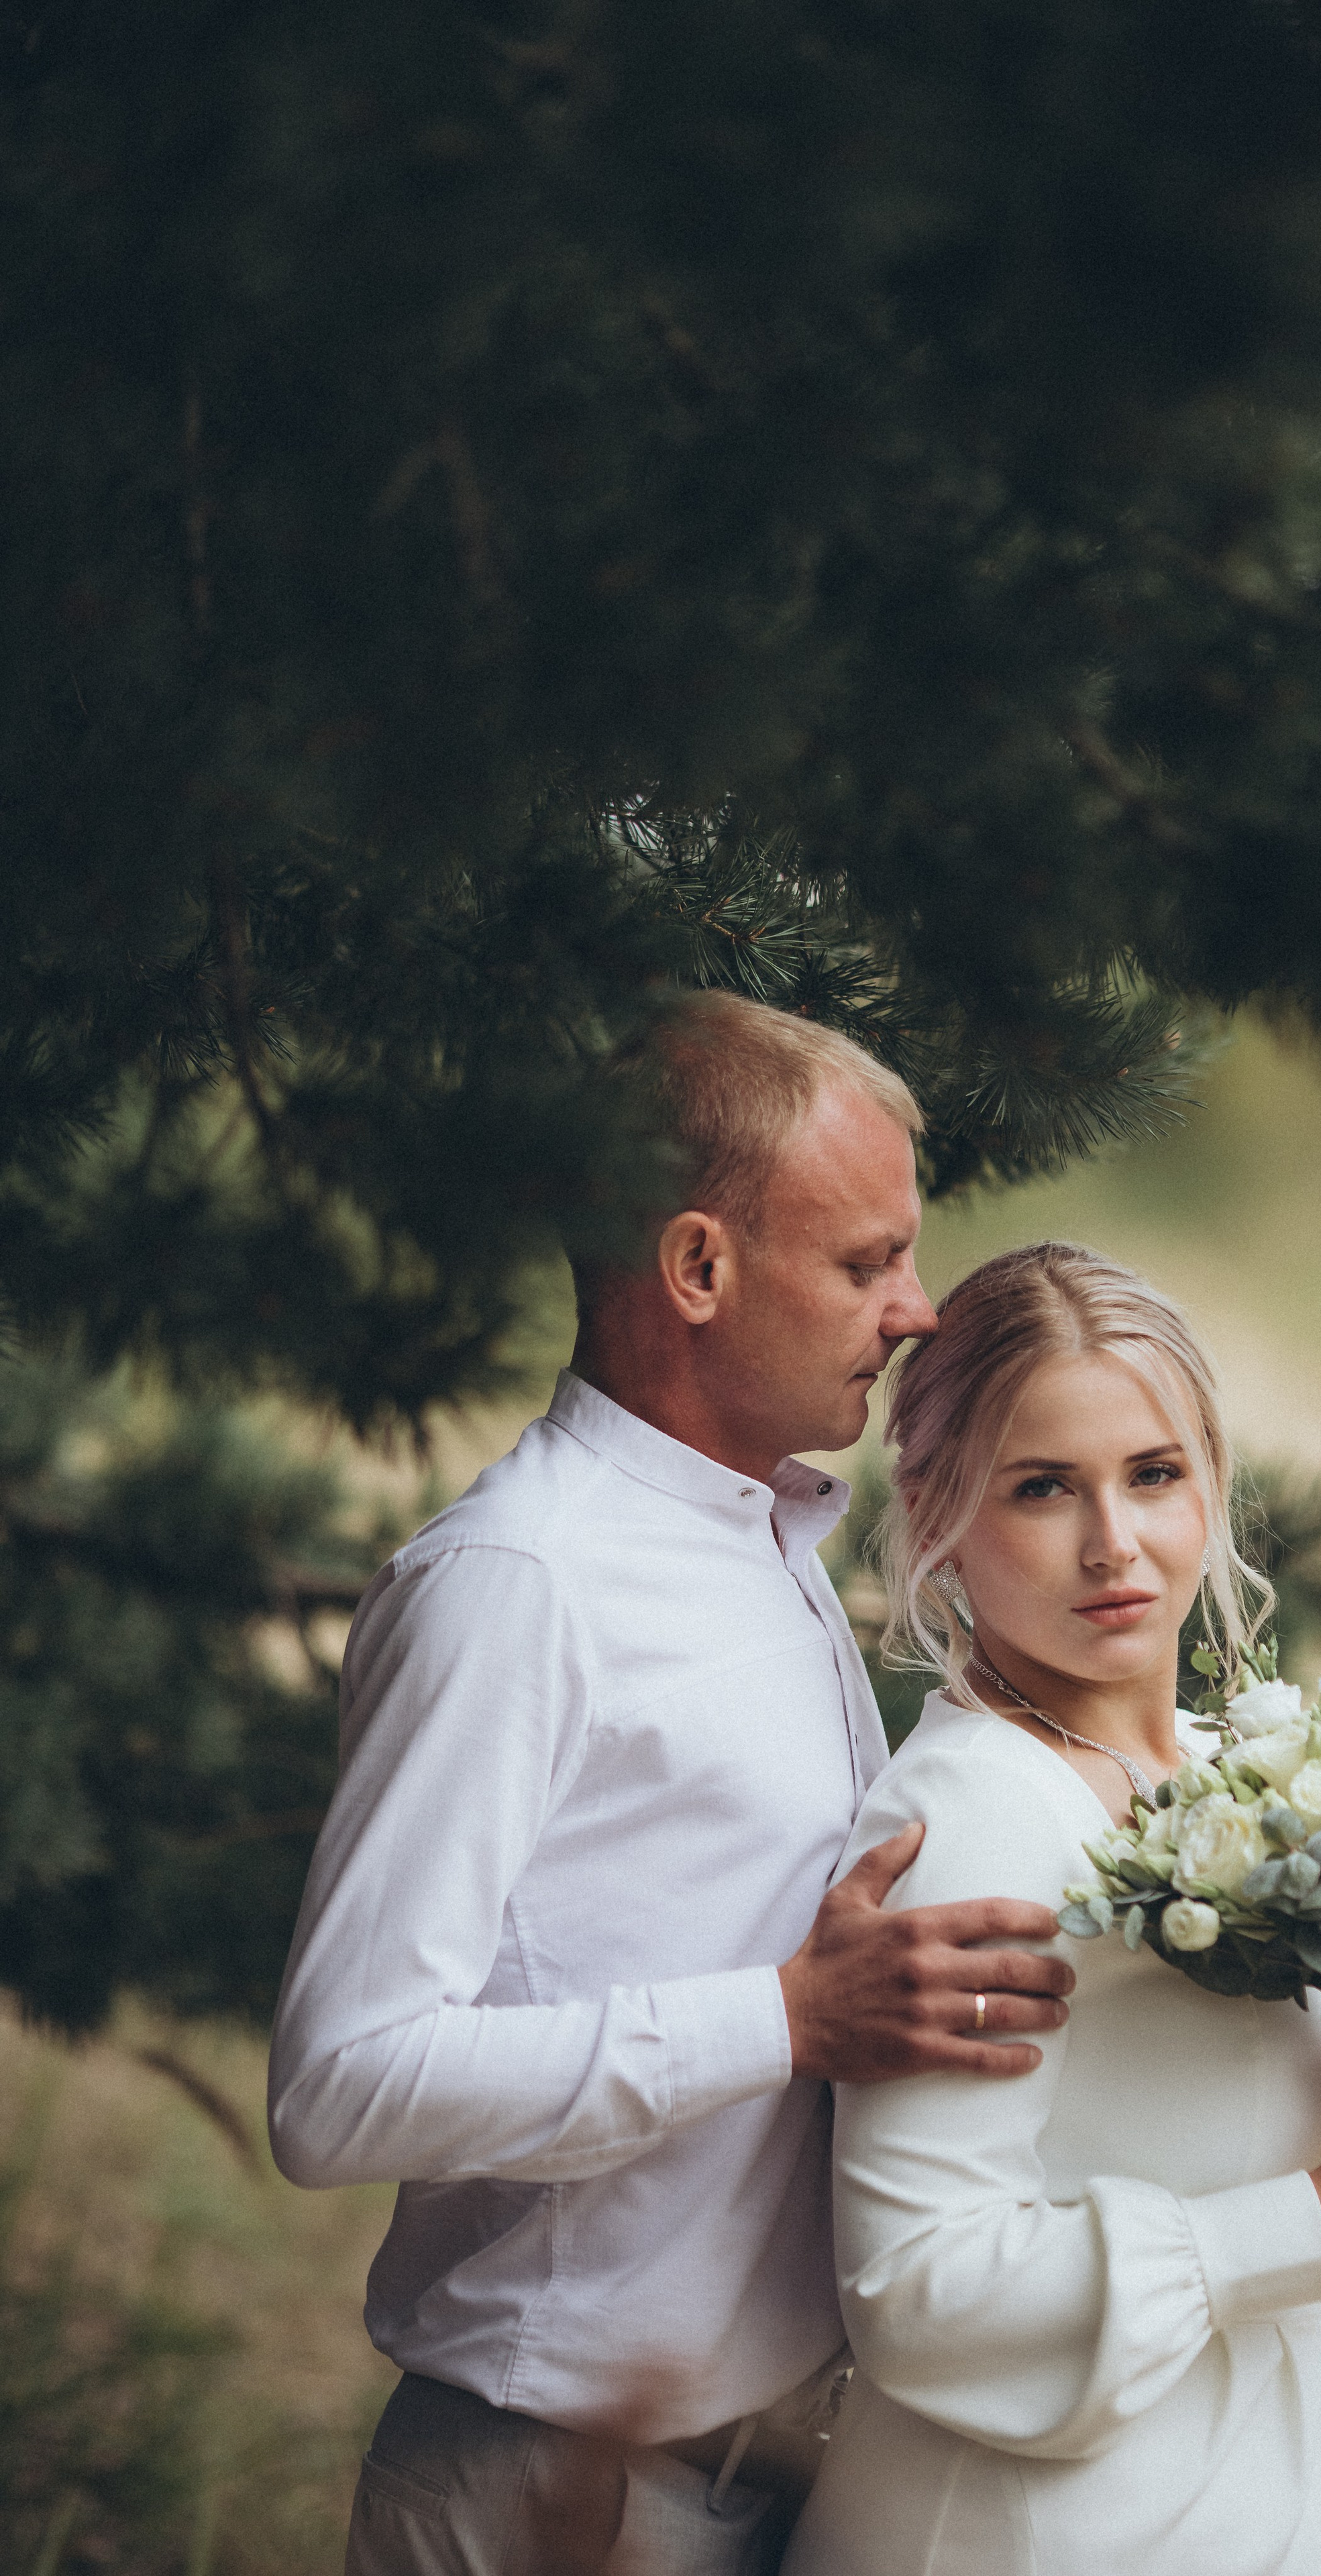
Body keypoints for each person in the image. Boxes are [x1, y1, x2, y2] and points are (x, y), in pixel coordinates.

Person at [266, 996, 1080, 2576]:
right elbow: (339, 2085)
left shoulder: (766, 1538)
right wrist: (782, 2020)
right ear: (697, 1268)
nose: (915, 1311)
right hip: (552, 2501)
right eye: (866, 1263)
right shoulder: (518, 1584)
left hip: (778, 2495)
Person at [784, 1242, 1321, 2576]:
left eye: (1152, 1474)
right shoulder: (973, 1825)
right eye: (1041, 1488)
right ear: (936, 1509)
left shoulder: (1257, 1777)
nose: (1112, 1544)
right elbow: (920, 2296)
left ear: (1212, 1483)